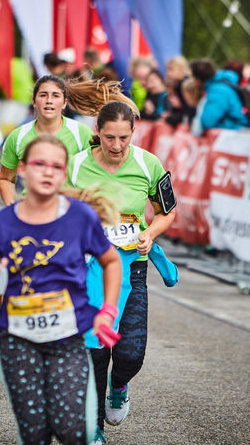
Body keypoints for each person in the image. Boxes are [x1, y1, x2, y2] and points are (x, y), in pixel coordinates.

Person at [0, 134, 123, 445]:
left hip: (68, 339)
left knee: (71, 429)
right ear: (24, 170)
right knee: (35, 432)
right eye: (39, 164)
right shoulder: (0, 224)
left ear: (65, 173)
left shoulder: (80, 217)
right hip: (18, 340)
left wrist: (107, 312)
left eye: (56, 166)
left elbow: (111, 261)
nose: (47, 171)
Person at [67, 101, 177, 445]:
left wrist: (150, 233)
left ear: (134, 131)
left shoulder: (148, 163)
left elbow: (167, 211)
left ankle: (120, 385)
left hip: (133, 267)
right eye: (109, 137)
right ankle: (94, 427)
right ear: (96, 132)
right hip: (90, 269)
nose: (116, 146)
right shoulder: (76, 165)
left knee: (130, 353)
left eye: (124, 138)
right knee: (96, 348)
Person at [0, 75, 137, 205]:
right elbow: (5, 178)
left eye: (55, 96)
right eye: (43, 95)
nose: (49, 101)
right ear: (33, 101)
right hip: (34, 211)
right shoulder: (18, 136)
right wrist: (12, 209)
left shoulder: (81, 133)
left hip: (70, 212)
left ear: (64, 103)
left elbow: (101, 170)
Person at [190, 58, 247, 135]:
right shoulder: (219, 86)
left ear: (198, 79)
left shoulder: (218, 90)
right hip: (233, 132)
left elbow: (207, 121)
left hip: (233, 135)